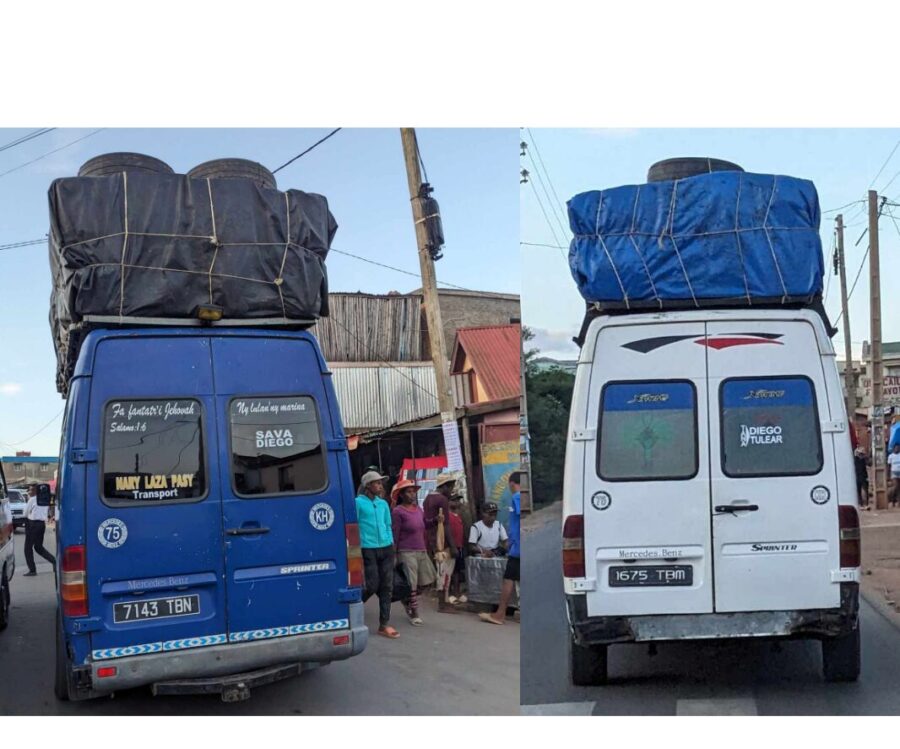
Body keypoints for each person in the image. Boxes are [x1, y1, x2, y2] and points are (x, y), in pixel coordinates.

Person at [355, 471, 399, 638]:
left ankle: (384, 624)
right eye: (377, 483)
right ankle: (351, 607)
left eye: (381, 483)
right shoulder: (358, 503)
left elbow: (387, 524)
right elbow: (355, 526)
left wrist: (391, 543)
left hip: (386, 547)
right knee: (372, 585)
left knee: (387, 586)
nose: (380, 486)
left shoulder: (383, 504)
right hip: (368, 548)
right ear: (368, 486)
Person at [391, 479, 435, 625]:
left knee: (428, 580)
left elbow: (424, 524)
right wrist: (394, 555)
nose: (412, 495)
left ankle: (407, 600)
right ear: (402, 495)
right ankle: (414, 612)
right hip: (406, 551)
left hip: (421, 549)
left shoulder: (418, 509)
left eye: (413, 492)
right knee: (412, 584)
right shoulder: (398, 512)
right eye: (409, 492)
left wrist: (435, 521)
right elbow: (395, 534)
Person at [480, 472, 521, 626]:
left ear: (511, 483)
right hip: (516, 546)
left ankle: (500, 614)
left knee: (508, 579)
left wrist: (513, 542)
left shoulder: (517, 497)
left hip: (517, 549)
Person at [23, 484, 56, 576]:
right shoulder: (45, 499)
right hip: (41, 525)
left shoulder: (32, 500)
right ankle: (54, 562)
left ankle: (32, 570)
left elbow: (25, 513)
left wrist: (29, 501)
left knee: (27, 548)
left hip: (32, 525)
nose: (29, 492)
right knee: (38, 547)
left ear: (35, 491)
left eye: (30, 490)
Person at [446, 497, 467, 604]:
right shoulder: (447, 516)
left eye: (458, 501)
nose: (456, 503)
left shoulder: (458, 516)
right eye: (454, 500)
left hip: (460, 546)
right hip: (451, 547)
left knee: (457, 571)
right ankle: (448, 594)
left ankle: (456, 592)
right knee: (449, 571)